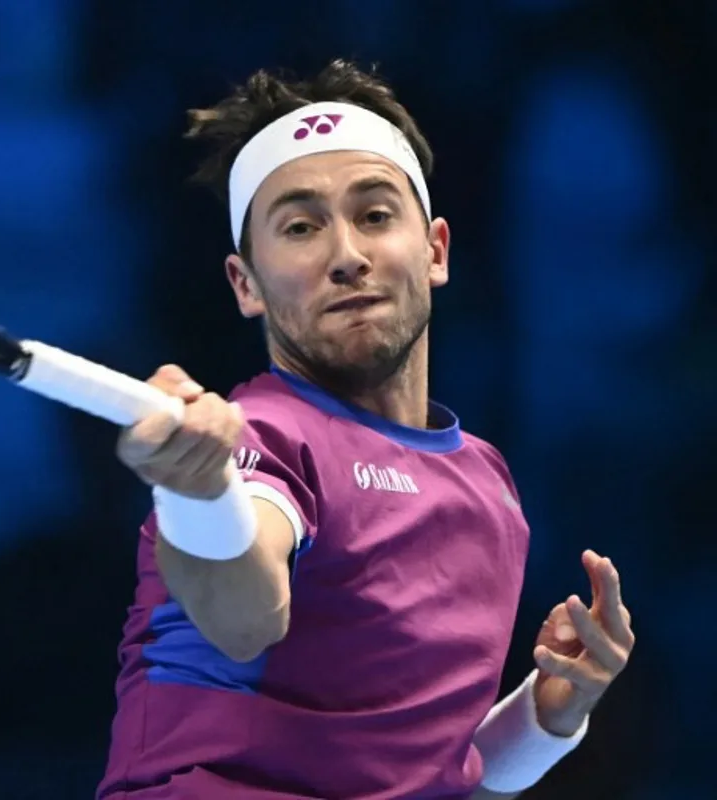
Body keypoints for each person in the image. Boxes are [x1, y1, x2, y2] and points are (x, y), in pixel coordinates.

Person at [97, 59, 635, 800]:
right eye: (299, 226)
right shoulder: (262, 436)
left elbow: (441, 778)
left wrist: (548, 720)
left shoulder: (490, 488)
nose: (346, 255)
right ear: (245, 283)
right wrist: (196, 492)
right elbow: (242, 618)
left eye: (375, 215)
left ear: (436, 251)